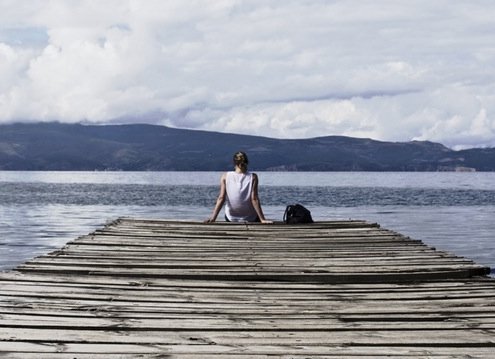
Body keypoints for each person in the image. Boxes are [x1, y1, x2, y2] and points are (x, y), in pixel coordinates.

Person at [205, 151, 272, 223]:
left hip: (231, 218)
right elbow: (254, 199)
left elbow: (221, 198)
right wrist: (262, 219)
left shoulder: (225, 176)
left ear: (234, 163)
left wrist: (213, 218)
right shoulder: (253, 177)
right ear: (247, 162)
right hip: (250, 218)